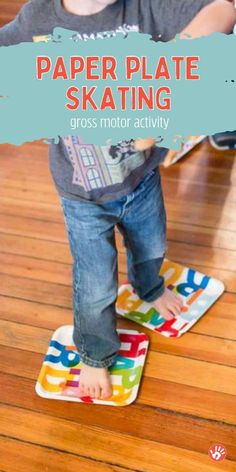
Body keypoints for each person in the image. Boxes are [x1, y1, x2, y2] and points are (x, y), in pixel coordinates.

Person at [0, 0, 235, 400]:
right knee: (94, 285)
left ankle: (149, 288)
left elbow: (222, 11)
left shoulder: (146, 7)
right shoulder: (38, 18)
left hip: (141, 179)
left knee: (151, 246)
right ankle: (94, 354)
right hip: (81, 197)